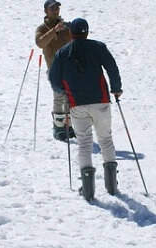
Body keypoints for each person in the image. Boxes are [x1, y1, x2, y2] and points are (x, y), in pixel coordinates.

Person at [48, 18, 122, 201]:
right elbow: (111, 67)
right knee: (105, 139)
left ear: (71, 33)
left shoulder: (62, 52)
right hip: (101, 101)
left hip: (77, 104)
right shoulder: (98, 47)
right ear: (87, 32)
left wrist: (63, 91)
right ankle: (112, 185)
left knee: (84, 142)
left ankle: (88, 190)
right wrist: (116, 88)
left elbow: (54, 78)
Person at [34, 0, 74, 141]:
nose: (56, 11)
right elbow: (40, 43)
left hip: (69, 68)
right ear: (46, 11)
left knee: (70, 97)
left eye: (57, 8)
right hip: (54, 69)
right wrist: (54, 31)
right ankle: (58, 128)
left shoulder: (66, 27)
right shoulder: (42, 28)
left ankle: (69, 126)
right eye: (52, 9)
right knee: (59, 97)